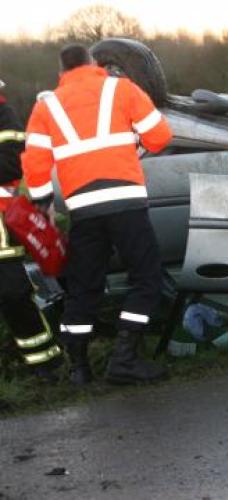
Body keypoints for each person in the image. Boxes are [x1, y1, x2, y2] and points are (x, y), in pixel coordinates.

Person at [21, 45, 173, 385]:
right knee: (146, 279)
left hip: (83, 210)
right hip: (126, 203)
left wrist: (43, 201)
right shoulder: (122, 89)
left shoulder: (47, 106)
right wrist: (133, 142)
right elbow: (161, 137)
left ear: (61, 73)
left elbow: (34, 161)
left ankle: (78, 368)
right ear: (94, 65)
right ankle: (125, 358)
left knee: (83, 287)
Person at [0, 78, 64, 378]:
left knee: (13, 295)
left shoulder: (5, 115)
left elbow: (13, 165)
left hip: (2, 231)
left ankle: (47, 365)